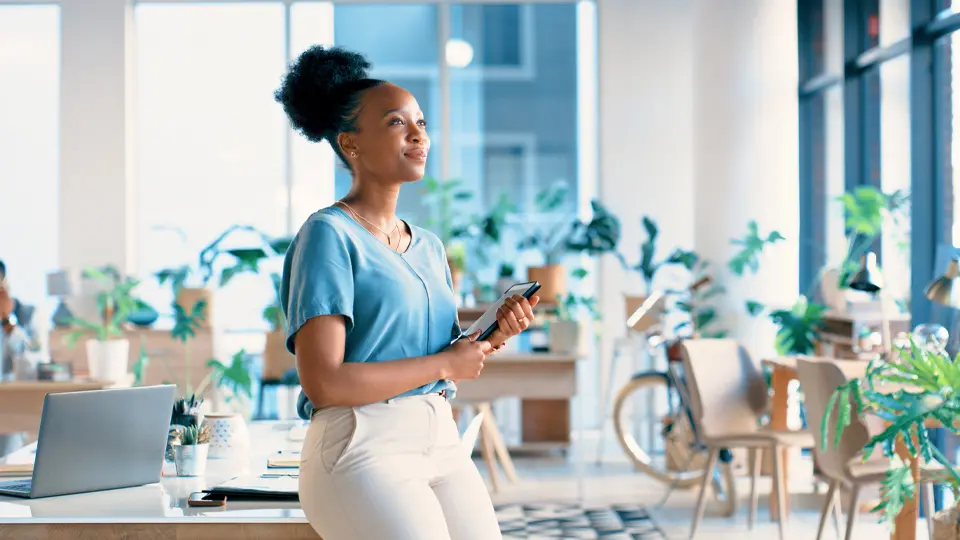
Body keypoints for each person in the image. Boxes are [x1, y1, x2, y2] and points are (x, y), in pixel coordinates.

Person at [274, 46, 540, 540]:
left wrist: (489, 337)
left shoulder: (430, 246)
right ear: (351, 143)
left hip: (439, 437)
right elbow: (324, 383)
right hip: (361, 445)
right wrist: (445, 365)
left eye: (420, 121)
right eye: (397, 123)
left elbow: (439, 357)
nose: (419, 134)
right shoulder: (328, 236)